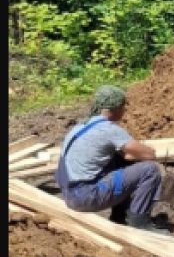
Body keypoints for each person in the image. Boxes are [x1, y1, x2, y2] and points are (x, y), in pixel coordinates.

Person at [56, 85, 165, 232]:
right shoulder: (108, 130)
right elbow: (148, 155)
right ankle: (140, 224)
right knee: (150, 170)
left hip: (70, 194)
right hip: (87, 196)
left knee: (119, 160)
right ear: (117, 109)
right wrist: (146, 150)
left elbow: (125, 154)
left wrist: (128, 155)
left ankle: (119, 217)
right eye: (123, 107)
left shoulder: (81, 126)